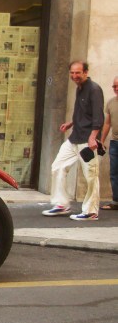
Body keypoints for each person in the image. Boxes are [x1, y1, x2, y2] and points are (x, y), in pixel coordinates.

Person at [42, 61, 105, 220]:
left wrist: (93, 137)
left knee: (91, 175)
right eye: (72, 73)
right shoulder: (80, 89)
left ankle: (91, 211)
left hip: (87, 141)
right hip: (75, 137)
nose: (75, 76)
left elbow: (98, 116)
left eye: (78, 73)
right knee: (58, 167)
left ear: (85, 72)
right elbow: (82, 112)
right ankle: (62, 204)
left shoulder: (94, 90)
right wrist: (71, 123)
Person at [101, 75, 118, 210]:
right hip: (115, 143)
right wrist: (101, 140)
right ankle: (116, 201)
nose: (116, 88)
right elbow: (107, 123)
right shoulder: (111, 102)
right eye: (114, 86)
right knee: (114, 172)